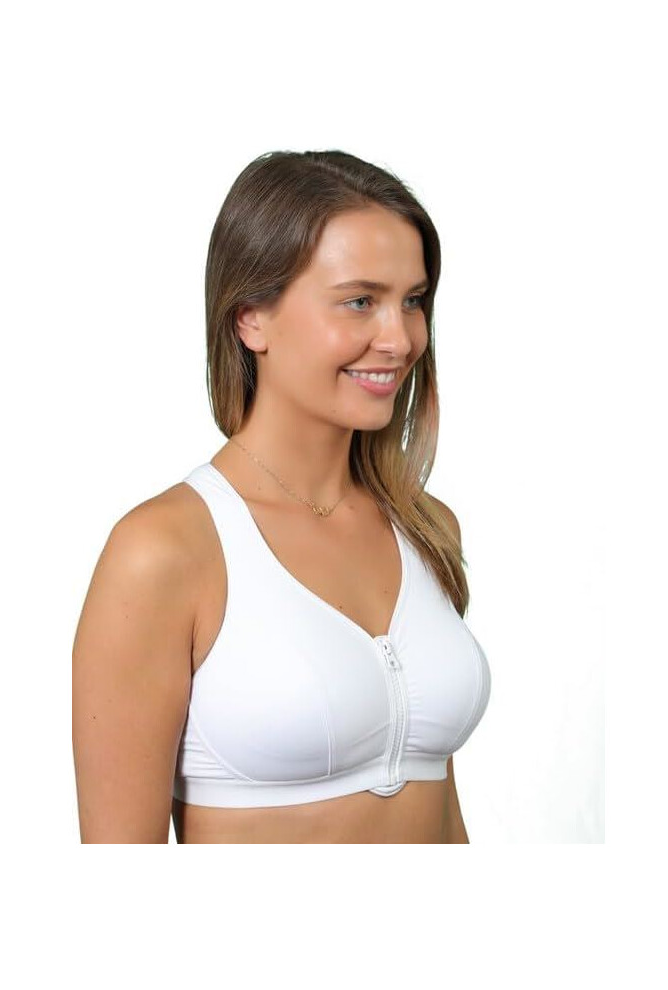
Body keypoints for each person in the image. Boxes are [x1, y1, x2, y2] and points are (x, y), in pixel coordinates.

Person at [72, 150, 492, 843]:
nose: (400, 339)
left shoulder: (425, 528)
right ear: (251, 319)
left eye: (413, 301)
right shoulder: (166, 551)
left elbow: (443, 812)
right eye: (360, 301)